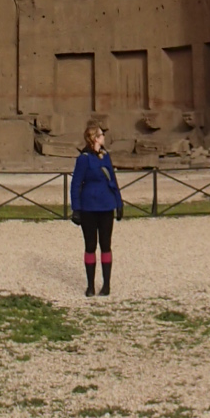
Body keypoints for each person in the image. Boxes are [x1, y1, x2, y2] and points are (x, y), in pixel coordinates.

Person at [68, 124, 124, 296]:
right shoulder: (84, 159)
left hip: (106, 205)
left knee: (106, 245)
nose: (104, 137)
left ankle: (106, 285)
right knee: (90, 246)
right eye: (101, 134)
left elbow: (113, 180)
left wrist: (119, 203)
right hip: (89, 207)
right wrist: (76, 209)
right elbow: (76, 184)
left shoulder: (105, 156)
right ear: (95, 138)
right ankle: (90, 286)